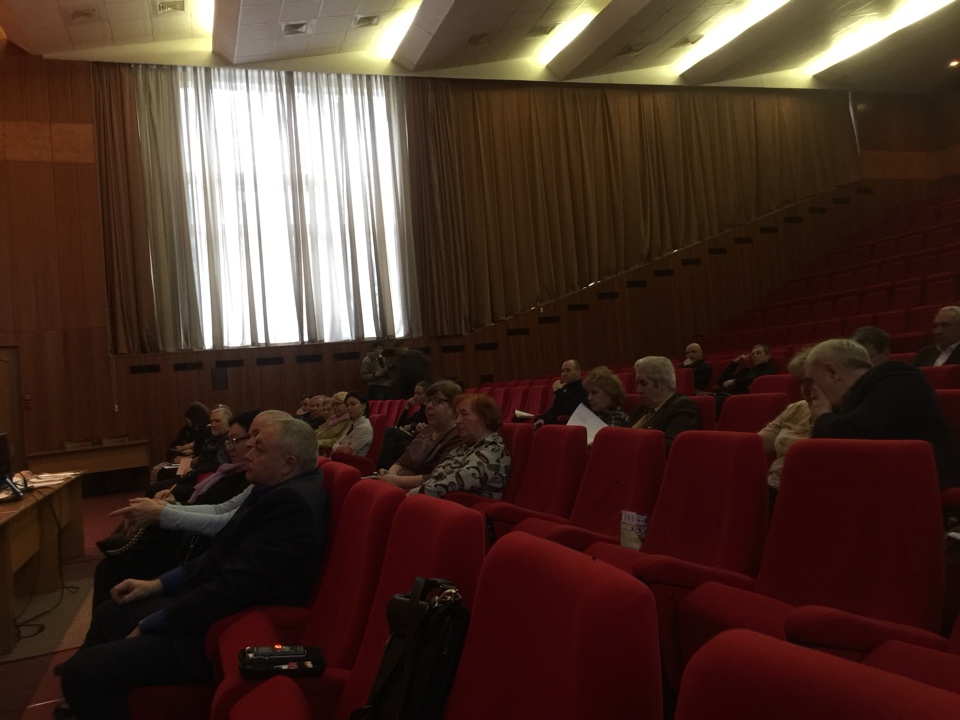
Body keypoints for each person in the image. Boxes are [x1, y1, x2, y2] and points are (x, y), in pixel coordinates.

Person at [58, 415, 327, 720]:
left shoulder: (290, 506)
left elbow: (230, 590)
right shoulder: (272, 487)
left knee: (82, 673)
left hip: (223, 628)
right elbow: (219, 554)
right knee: (111, 612)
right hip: (211, 605)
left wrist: (155, 621)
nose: (248, 452)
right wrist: (157, 584)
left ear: (288, 464)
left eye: (259, 448)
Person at [90, 410, 259, 608]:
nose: (233, 447)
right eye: (229, 441)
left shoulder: (250, 479)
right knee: (109, 569)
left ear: (286, 460)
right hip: (191, 542)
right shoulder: (232, 472)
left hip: (195, 548)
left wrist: (162, 512)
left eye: (236, 440)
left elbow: (221, 520)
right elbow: (218, 509)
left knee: (108, 577)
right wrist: (170, 506)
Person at [806, 338, 960, 490]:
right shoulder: (847, 401)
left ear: (832, 372)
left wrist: (822, 415)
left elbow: (856, 436)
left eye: (812, 382)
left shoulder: (896, 376)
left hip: (920, 484)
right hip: (883, 482)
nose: (813, 392)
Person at [409, 393, 511, 499]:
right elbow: (437, 477)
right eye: (457, 415)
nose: (457, 421)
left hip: (467, 506)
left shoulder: (491, 448)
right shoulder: (467, 445)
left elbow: (458, 481)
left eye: (464, 414)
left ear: (485, 418)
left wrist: (412, 495)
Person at [378, 380, 463, 489]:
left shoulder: (458, 436)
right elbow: (402, 461)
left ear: (454, 407)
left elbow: (440, 477)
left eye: (436, 401)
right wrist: (389, 475)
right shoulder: (427, 430)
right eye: (428, 400)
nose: (429, 406)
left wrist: (396, 480)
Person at [758, 352, 813, 505]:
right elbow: (760, 442)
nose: (804, 390)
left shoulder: (847, 415)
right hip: (773, 486)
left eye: (810, 381)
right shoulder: (798, 407)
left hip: (804, 494)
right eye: (801, 382)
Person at [630, 356, 700, 454]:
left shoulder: (682, 407)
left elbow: (669, 446)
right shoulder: (642, 408)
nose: (638, 390)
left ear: (662, 384)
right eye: (637, 384)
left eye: (643, 383)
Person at [376, 381, 429, 470]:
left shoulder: (428, 411)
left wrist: (412, 426)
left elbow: (426, 424)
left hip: (418, 436)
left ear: (427, 396)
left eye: (419, 394)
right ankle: (387, 467)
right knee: (397, 442)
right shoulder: (419, 412)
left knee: (391, 432)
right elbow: (400, 425)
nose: (415, 396)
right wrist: (407, 408)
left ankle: (382, 466)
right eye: (415, 393)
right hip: (410, 435)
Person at [534, 359, 588, 428]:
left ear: (578, 373)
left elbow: (566, 411)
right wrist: (542, 418)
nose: (564, 374)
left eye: (568, 370)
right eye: (562, 371)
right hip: (552, 423)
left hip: (566, 427)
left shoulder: (582, 391)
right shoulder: (564, 388)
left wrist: (545, 422)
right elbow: (554, 408)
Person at [331, 390, 374, 457]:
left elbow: (348, 452)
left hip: (350, 461)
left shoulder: (364, 427)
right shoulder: (352, 423)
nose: (349, 408)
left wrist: (337, 447)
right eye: (347, 405)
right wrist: (338, 447)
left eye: (353, 404)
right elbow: (335, 444)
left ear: (364, 406)